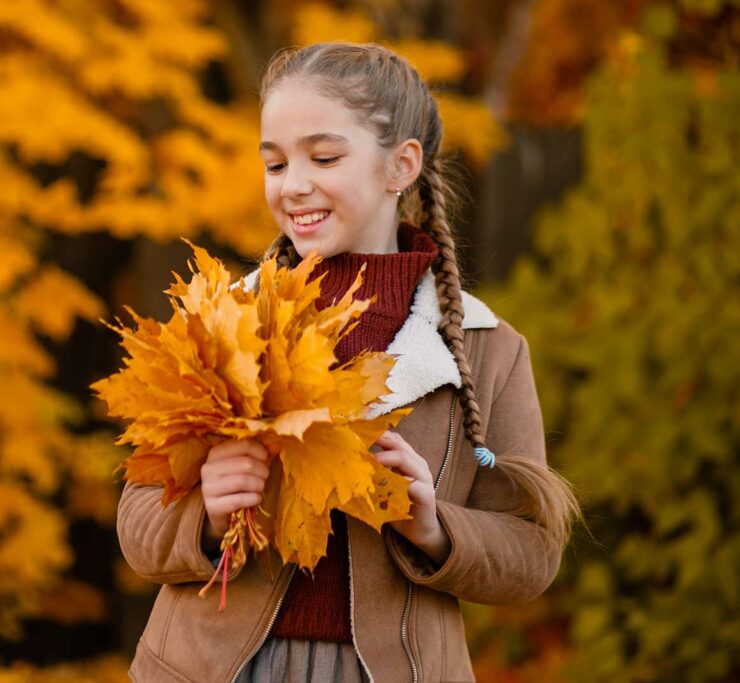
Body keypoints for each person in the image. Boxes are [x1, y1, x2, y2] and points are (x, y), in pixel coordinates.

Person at [116, 41, 580, 682]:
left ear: (401, 167)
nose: (294, 185)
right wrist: (206, 513)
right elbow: (137, 525)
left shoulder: (486, 347)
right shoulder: (223, 323)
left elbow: (532, 553)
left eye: (324, 156)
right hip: (205, 668)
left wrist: (435, 526)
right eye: (274, 164)